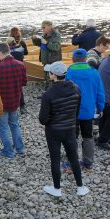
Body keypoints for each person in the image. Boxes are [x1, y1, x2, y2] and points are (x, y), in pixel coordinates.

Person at [39, 61, 89, 197]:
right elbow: (76, 111)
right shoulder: (76, 88)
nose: (49, 74)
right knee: (73, 157)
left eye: (49, 72)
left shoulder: (48, 94)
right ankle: (80, 187)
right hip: (70, 129)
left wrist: (52, 121)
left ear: (54, 75)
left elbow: (42, 119)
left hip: (53, 131)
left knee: (55, 159)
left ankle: (56, 189)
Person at [65, 49, 105, 171]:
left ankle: (72, 163)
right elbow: (100, 93)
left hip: (72, 111)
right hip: (88, 111)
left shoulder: (69, 73)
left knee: (73, 136)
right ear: (85, 59)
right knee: (88, 136)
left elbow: (65, 93)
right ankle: (88, 163)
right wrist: (100, 107)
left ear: (73, 59)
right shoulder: (94, 73)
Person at [0, 43, 26, 158]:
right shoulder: (21, 65)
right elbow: (24, 83)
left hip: (2, 102)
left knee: (3, 127)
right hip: (15, 101)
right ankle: (20, 149)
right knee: (15, 125)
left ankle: (9, 151)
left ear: (1, 52)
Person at [32, 20, 62, 88]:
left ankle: (53, 91)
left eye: (44, 27)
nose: (42, 29)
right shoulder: (45, 34)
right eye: (42, 27)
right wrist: (34, 39)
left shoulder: (56, 35)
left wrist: (46, 43)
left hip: (53, 59)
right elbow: (40, 44)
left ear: (50, 26)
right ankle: (47, 90)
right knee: (46, 76)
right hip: (45, 58)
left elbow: (56, 47)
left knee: (53, 77)